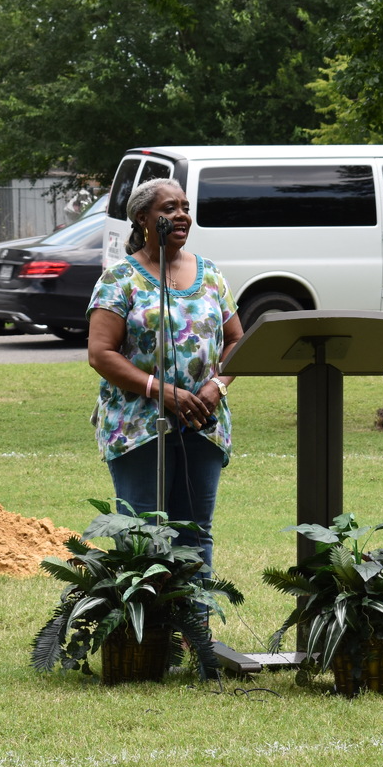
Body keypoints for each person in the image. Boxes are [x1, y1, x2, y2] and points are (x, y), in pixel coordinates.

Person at [86, 178, 242, 576]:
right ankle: (148, 636)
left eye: (185, 207)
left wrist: (216, 386)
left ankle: (195, 635)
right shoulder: (120, 279)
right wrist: (160, 390)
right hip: (139, 425)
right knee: (142, 534)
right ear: (143, 218)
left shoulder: (211, 275)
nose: (181, 216)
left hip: (202, 422)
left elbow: (238, 341)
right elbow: (100, 353)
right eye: (169, 208)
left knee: (195, 534)